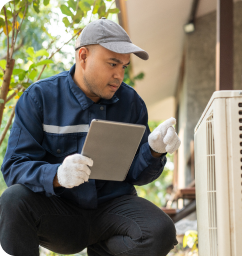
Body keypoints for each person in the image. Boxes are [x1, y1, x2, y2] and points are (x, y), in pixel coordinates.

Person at [0, 18, 181, 256]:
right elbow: (15, 166)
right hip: (60, 213)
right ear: (83, 56)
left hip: (113, 210)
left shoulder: (132, 104)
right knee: (12, 201)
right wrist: (56, 176)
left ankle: (103, 251)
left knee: (161, 231)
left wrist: (155, 150)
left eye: (124, 67)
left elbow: (137, 175)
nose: (119, 75)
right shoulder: (39, 99)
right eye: (113, 64)